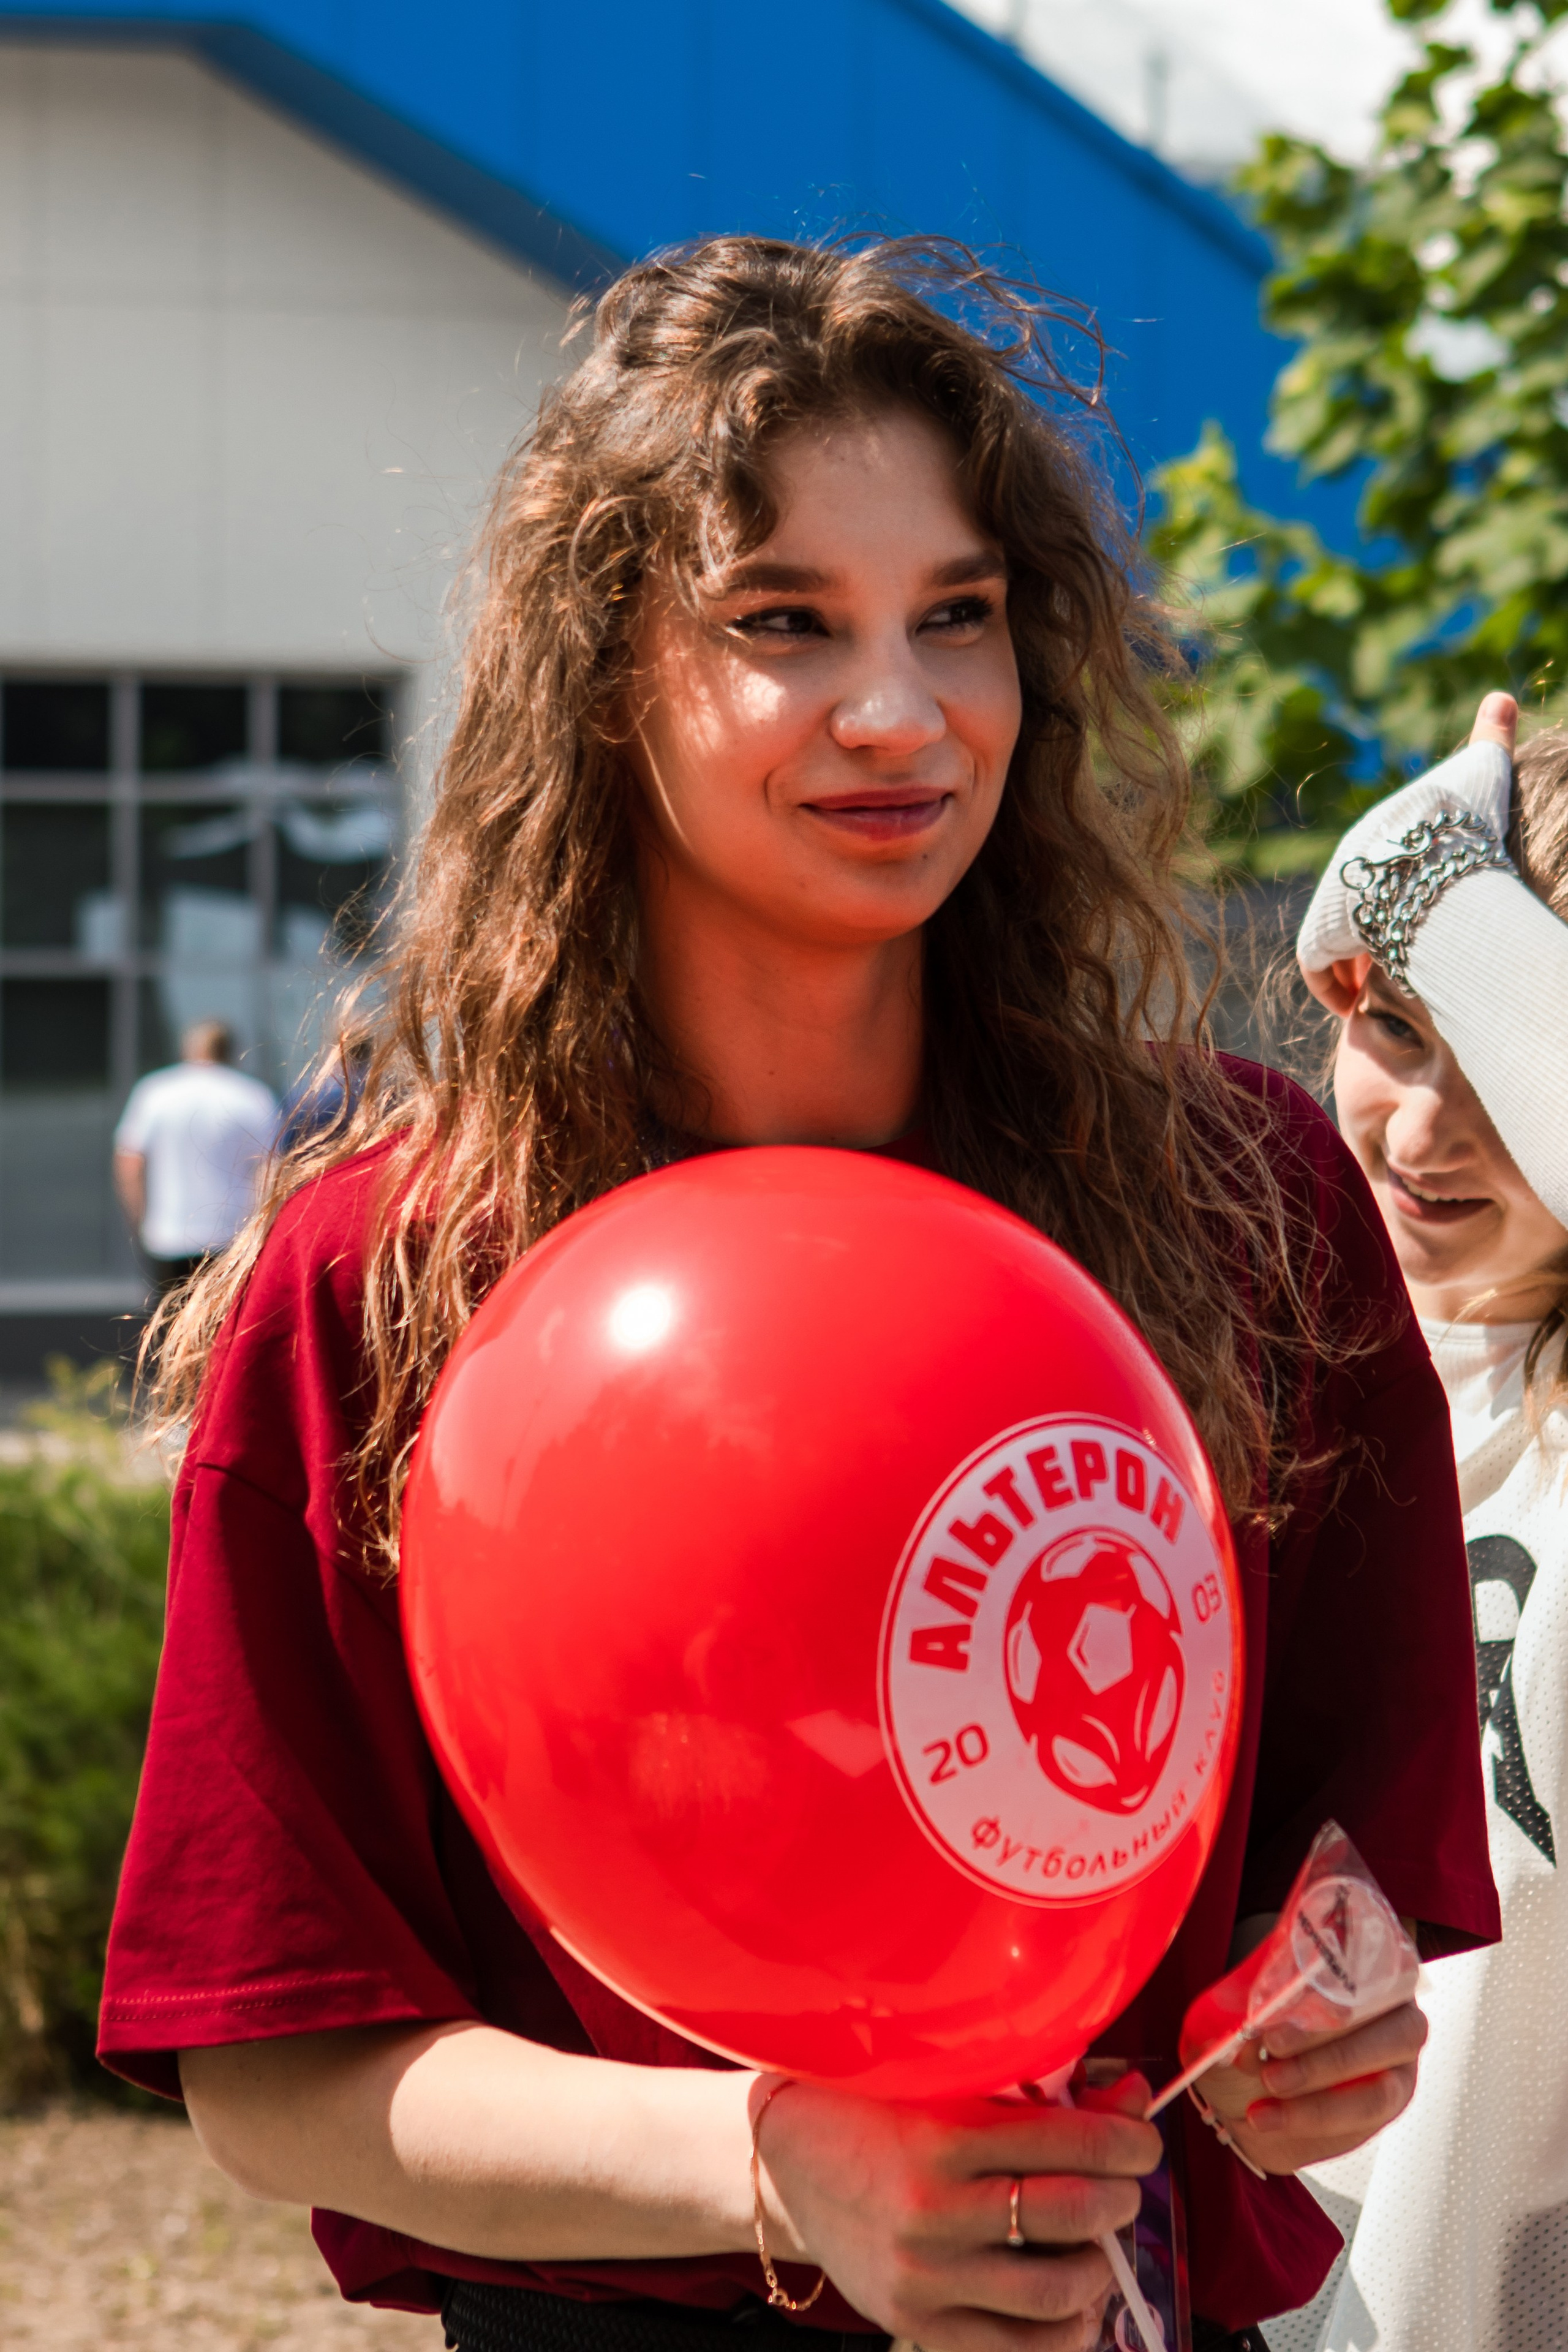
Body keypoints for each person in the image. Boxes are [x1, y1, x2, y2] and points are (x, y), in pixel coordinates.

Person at [96, 238, 1496, 2352]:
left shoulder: (1246, 1207)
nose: (898, 711)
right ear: (599, 674)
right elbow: (278, 2069)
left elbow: (1342, 1880)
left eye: (962, 616)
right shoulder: (382, 1282)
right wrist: (776, 2159)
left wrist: (1327, 2015)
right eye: (783, 624)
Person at [1295, 696, 1568, 2352]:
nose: (1421, 1129)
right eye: (1396, 1030)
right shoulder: (1305, 1377)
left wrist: (1413, 885)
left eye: (1501, 1050)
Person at [112, 1019, 279, 1298]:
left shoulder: (155, 1092)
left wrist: (139, 1221)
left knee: (171, 1330)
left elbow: (130, 1164)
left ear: (189, 1049)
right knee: (224, 1331)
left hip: (168, 1233)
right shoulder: (253, 1096)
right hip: (231, 1235)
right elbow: (269, 1170)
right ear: (230, 1051)